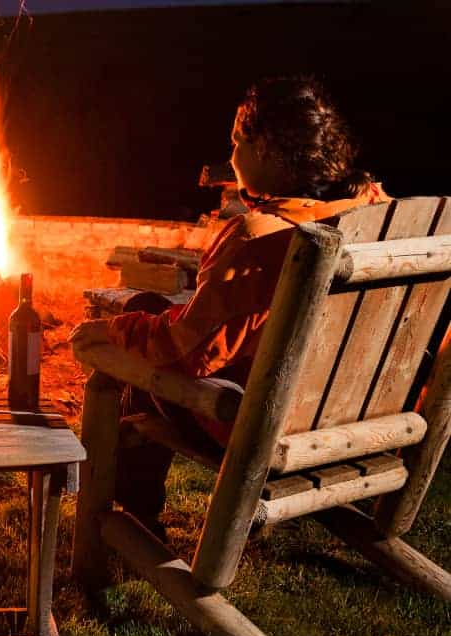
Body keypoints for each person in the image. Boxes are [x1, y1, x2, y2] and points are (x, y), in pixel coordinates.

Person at [70, 75, 389, 537]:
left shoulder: (262, 238)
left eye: (237, 141)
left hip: (268, 431)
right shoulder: (376, 211)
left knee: (141, 343)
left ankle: (131, 517)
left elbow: (188, 353)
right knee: (150, 307)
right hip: (359, 420)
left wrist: (114, 331)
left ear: (265, 148)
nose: (232, 155)